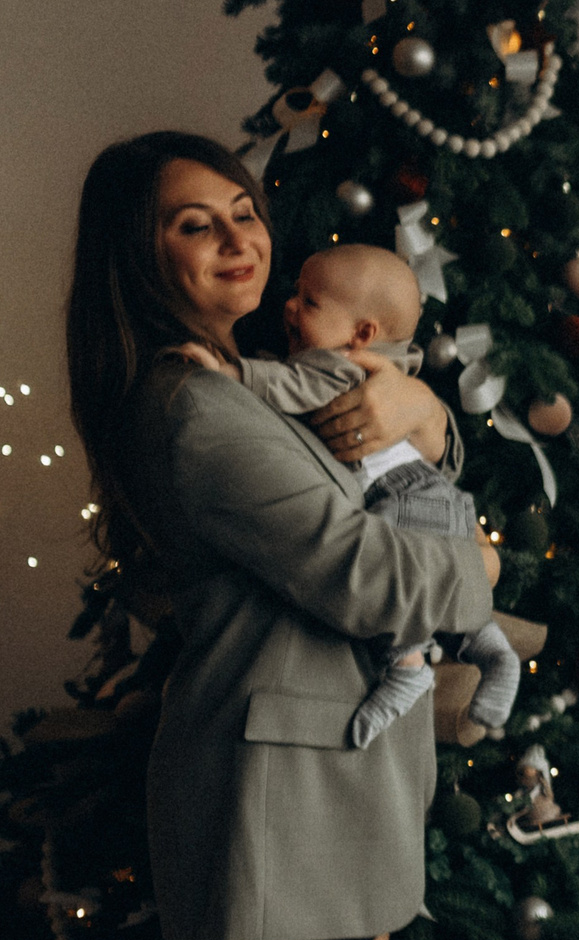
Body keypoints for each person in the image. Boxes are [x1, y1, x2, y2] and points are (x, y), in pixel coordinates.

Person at [67, 132, 499, 940]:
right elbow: (370, 575)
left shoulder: (271, 385)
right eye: (195, 224)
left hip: (353, 772)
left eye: (244, 212)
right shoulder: (188, 406)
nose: (237, 237)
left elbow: (405, 429)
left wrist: (434, 421)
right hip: (265, 780)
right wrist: (473, 559)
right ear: (141, 261)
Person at [180, 242, 520, 750]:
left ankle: (408, 666)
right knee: (451, 598)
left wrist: (235, 375)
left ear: (361, 334)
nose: (290, 307)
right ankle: (495, 651)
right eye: (296, 294)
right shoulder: (388, 366)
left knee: (397, 568)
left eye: (309, 303)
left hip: (399, 495)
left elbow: (293, 385)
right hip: (439, 498)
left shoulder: (338, 364)